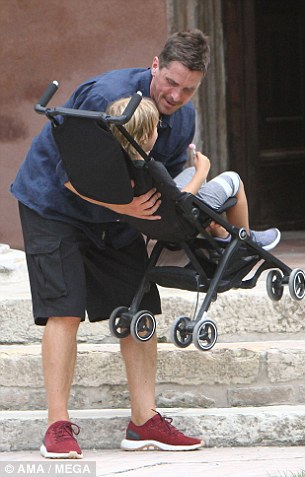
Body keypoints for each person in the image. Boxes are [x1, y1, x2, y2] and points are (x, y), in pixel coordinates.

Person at [11, 29, 212, 458]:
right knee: (63, 310)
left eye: (188, 88)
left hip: (119, 214)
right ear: (154, 64)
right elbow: (71, 176)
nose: (176, 95)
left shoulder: (184, 119)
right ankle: (58, 427)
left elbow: (164, 184)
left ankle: (144, 422)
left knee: (139, 306)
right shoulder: (106, 96)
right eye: (171, 82)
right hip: (55, 207)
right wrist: (129, 209)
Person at [107, 96, 281, 250]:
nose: (158, 131)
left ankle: (219, 231)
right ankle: (245, 241)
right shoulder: (153, 168)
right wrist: (203, 170)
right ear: (144, 137)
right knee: (233, 179)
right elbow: (181, 200)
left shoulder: (122, 167)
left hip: (153, 223)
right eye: (155, 127)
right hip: (180, 222)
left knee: (190, 172)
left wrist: (196, 173)